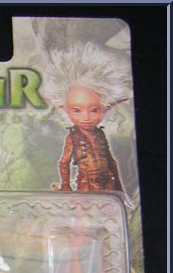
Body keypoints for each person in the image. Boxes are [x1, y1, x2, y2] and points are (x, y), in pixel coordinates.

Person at [42, 42, 131, 192]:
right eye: (77, 110)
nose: (86, 117)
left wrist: (120, 190)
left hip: (109, 183)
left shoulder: (100, 134)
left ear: (104, 108)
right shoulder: (73, 137)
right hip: (86, 185)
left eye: (94, 110)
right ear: (66, 110)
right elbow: (64, 162)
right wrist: (66, 187)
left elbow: (111, 161)